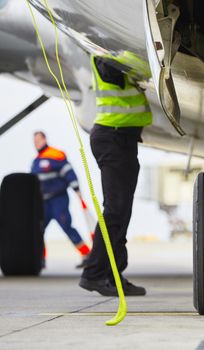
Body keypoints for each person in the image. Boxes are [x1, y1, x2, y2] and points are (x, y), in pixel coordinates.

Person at [79, 54, 152, 296]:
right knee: (115, 211)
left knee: (121, 212)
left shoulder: (115, 54)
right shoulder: (107, 55)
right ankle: (93, 274)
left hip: (123, 139)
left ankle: (113, 275)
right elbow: (139, 66)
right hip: (113, 137)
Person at [31, 131, 91, 268]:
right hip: (43, 203)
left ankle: (87, 254)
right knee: (38, 230)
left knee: (66, 226)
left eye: (38, 140)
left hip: (58, 200)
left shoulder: (56, 155)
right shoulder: (36, 161)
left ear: (44, 139)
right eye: (34, 141)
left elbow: (69, 172)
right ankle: (40, 258)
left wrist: (77, 191)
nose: (36, 143)